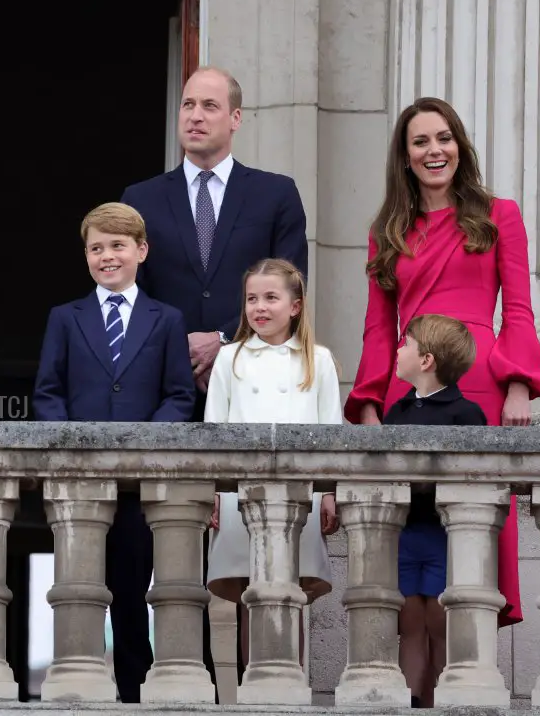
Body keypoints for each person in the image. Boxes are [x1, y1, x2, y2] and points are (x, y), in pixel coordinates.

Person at [120, 65, 309, 683]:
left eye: (209, 105)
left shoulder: (274, 193)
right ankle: (167, 679)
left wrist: (226, 342)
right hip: (166, 394)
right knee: (158, 546)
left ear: (235, 118)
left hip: (253, 388)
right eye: (186, 105)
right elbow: (126, 295)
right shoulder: (141, 198)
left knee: (256, 548)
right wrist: (183, 345)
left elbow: (291, 282)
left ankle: (264, 682)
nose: (195, 116)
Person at [345, 96, 540, 630]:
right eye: (421, 142)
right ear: (406, 156)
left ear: (459, 145)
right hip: (407, 389)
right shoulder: (386, 229)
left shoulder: (498, 213)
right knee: (411, 544)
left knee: (474, 534)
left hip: (479, 382)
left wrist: (518, 386)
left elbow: (520, 310)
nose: (434, 150)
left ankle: (468, 669)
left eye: (444, 138)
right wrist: (370, 401)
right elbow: (377, 326)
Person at [32, 202, 195, 703]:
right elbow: (48, 392)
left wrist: (143, 444)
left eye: (118, 246)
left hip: (138, 484)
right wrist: (70, 446)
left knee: (131, 594)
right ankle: (74, 693)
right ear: (85, 255)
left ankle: (132, 697)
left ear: (141, 251)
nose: (107, 256)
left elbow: (180, 396)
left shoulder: (166, 319)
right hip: (80, 482)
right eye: (96, 247)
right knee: (78, 593)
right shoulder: (66, 317)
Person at [205, 258, 340, 668]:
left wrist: (330, 492)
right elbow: (214, 430)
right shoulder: (230, 358)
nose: (259, 307)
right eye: (251, 298)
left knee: (290, 592)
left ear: (295, 306)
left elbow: (332, 431)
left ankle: (289, 688)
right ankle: (253, 692)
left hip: (300, 495)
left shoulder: (318, 359)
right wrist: (211, 491)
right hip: (240, 495)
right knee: (250, 595)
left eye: (270, 297)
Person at [384, 314, 487, 709]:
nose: (399, 350)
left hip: (446, 536)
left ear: (426, 360)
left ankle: (444, 701)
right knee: (408, 624)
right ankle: (410, 701)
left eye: (405, 344)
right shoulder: (398, 411)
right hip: (406, 534)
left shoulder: (466, 415)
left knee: (442, 624)